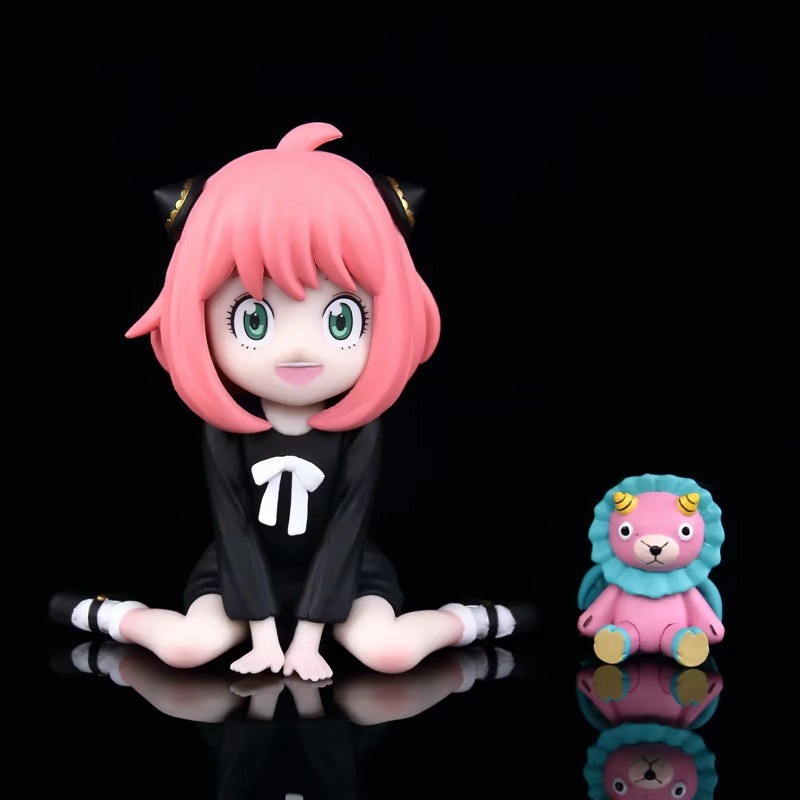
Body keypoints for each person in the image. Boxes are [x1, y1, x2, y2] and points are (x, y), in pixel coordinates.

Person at [49, 122, 533, 681]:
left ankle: (473, 620)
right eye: (252, 320)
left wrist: (306, 639)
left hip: (348, 573)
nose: (299, 347)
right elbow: (232, 524)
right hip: (235, 572)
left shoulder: (360, 429)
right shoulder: (225, 428)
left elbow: (347, 525)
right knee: (187, 646)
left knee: (389, 652)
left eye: (341, 319)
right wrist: (261, 634)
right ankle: (108, 615)